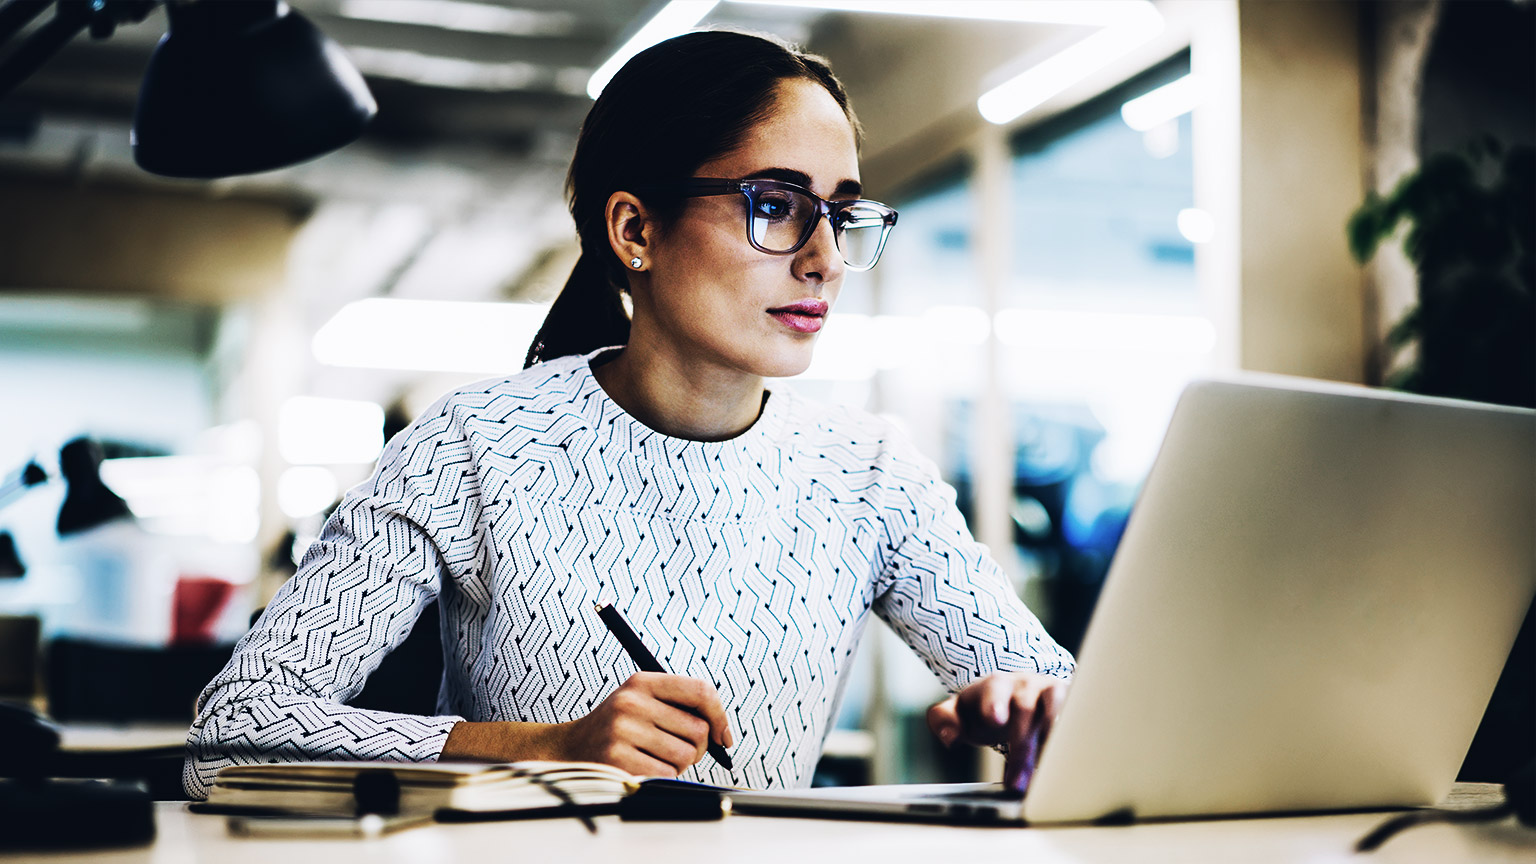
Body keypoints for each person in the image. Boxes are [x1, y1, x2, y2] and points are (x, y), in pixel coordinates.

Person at [183, 29, 1074, 800]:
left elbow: (1078, 710)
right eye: (776, 206)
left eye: (841, 213)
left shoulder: (870, 472)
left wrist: (1034, 708)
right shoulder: (473, 448)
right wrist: (542, 750)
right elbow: (232, 735)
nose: (825, 258)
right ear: (635, 231)